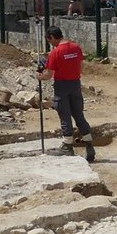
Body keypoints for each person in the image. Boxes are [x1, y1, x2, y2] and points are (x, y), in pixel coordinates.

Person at [36, 26, 95, 162]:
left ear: (51, 37)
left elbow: (48, 75)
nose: (51, 43)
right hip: (75, 84)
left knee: (65, 115)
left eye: (50, 40)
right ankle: (89, 145)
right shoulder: (76, 47)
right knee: (79, 115)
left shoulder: (55, 53)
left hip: (62, 86)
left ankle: (67, 146)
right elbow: (80, 67)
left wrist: (39, 76)